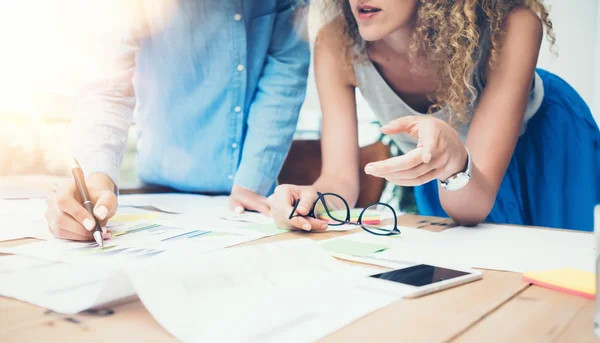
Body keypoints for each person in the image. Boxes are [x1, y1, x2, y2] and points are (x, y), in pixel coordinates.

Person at [269, 0, 600, 232]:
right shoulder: (335, 41)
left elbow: (475, 201)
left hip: (547, 152)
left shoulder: (515, 26)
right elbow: (340, 181)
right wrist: (310, 202)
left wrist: (452, 163)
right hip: (448, 176)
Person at [44, 0, 310, 241]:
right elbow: (108, 84)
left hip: (252, 197)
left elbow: (286, 68)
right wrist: (96, 181)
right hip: (160, 190)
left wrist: (254, 179)